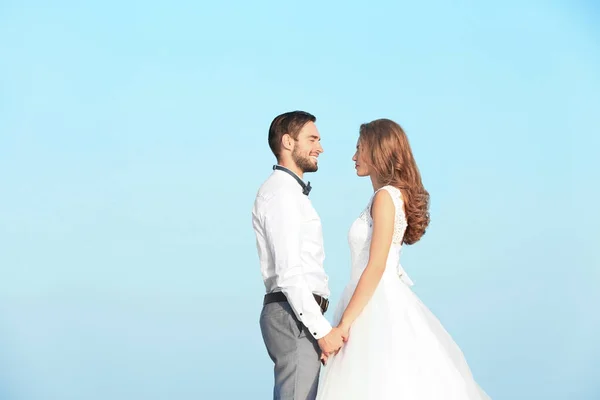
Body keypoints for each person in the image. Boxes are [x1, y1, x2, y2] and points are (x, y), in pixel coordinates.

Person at [316, 118, 491, 400]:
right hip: (373, 298)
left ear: (378, 152)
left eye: (359, 149)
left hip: (374, 303)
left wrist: (343, 325)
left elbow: (377, 265)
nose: (354, 156)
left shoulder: (385, 197)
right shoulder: (388, 196)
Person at [252, 111, 346, 400]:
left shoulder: (289, 192)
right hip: (295, 316)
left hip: (297, 314)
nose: (320, 147)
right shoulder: (282, 194)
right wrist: (322, 331)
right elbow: (290, 272)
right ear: (288, 142)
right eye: (312, 139)